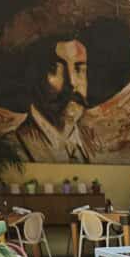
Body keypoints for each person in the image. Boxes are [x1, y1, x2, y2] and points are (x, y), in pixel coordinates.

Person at [14, 34, 97, 163]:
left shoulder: (93, 143)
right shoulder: (14, 148)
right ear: (35, 77)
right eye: (55, 69)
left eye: (79, 69)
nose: (72, 82)